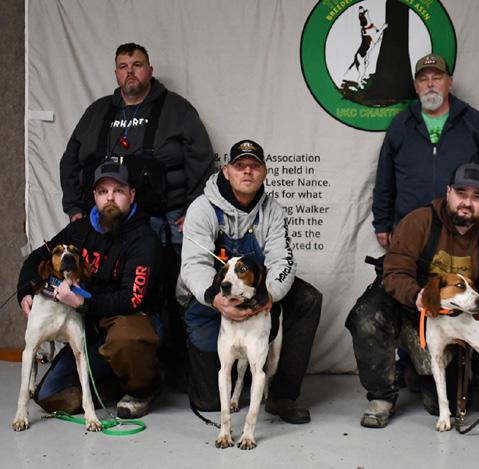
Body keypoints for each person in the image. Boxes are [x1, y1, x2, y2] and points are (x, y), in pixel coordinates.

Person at [59, 42, 215, 390]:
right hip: (110, 220)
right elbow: (70, 160)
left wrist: (194, 209)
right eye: (123, 66)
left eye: (137, 64)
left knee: (177, 290)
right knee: (105, 282)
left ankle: (179, 365)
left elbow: (202, 159)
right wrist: (75, 208)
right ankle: (117, 361)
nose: (130, 71)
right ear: (116, 73)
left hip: (167, 216)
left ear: (150, 70)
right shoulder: (98, 112)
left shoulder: (176, 109)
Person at [347, 163, 479, 428]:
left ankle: (417, 371)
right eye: (461, 193)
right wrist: (415, 296)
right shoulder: (419, 222)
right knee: (367, 315)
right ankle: (381, 397)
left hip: (452, 325)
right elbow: (394, 272)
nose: (467, 203)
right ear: (448, 192)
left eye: (476, 196)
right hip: (409, 309)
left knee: (447, 405)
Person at [178, 139, 322, 424]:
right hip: (211, 300)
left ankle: (281, 395)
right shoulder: (202, 209)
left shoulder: (273, 211)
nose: (247, 171)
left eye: (254, 166)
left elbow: (282, 261)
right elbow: (193, 265)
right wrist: (216, 300)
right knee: (208, 400)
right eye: (240, 165)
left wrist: (268, 295)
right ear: (226, 171)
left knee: (308, 299)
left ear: (264, 173)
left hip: (255, 295)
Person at [17, 161, 163, 418]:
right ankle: (114, 383)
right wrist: (25, 292)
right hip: (91, 326)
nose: (110, 197)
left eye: (118, 191)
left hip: (129, 320)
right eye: (103, 191)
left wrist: (83, 303)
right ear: (95, 196)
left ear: (131, 195)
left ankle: (142, 388)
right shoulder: (79, 230)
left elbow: (132, 298)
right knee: (51, 396)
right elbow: (37, 258)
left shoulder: (144, 239)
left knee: (126, 339)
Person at [372, 53, 479, 248]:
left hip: (462, 232)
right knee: (405, 270)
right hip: (410, 229)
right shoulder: (401, 125)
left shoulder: (472, 122)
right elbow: (385, 178)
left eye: (437, 78)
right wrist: (382, 223)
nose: (430, 84)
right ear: (416, 86)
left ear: (449, 82)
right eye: (423, 79)